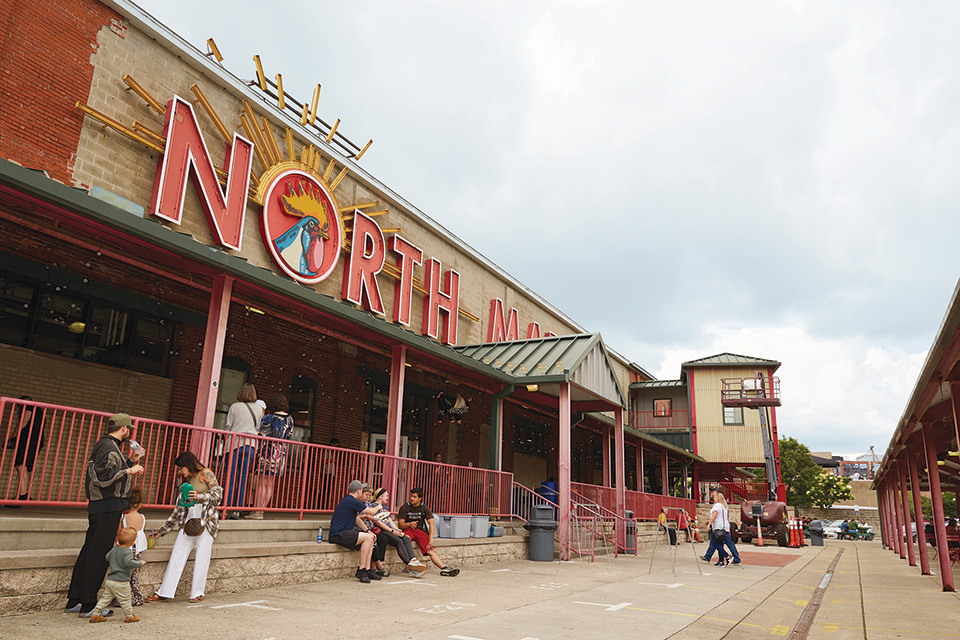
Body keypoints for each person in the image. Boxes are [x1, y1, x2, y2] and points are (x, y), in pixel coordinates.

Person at [65, 413, 145, 618]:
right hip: (106, 505)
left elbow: (109, 473)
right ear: (125, 429)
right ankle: (89, 604)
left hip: (103, 505)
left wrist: (129, 461)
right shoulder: (107, 446)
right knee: (98, 554)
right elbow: (102, 476)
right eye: (129, 429)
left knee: (90, 550)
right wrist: (131, 470)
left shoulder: (107, 445)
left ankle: (76, 600)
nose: (129, 432)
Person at [147, 451, 222, 603]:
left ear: (188, 464)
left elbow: (218, 495)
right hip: (188, 520)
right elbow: (177, 512)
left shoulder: (205, 473)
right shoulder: (186, 483)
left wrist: (198, 497)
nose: (180, 471)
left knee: (203, 556)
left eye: (181, 468)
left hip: (206, 520)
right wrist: (161, 532)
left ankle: (197, 592)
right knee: (177, 554)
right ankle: (164, 592)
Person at [328, 479, 384, 583]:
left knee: (371, 537)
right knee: (368, 538)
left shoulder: (349, 500)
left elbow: (357, 519)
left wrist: (368, 530)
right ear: (358, 491)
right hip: (338, 534)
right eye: (362, 491)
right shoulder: (351, 500)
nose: (362, 493)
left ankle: (368, 570)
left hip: (345, 533)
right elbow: (371, 511)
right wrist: (379, 506)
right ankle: (361, 570)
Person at [249, 394, 294, 519]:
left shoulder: (269, 417)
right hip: (281, 454)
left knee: (261, 483)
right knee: (270, 484)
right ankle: (262, 511)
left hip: (267, 452)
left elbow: (261, 433)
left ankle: (257, 512)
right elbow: (289, 435)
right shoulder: (290, 419)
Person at [365, 487, 426, 577]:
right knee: (398, 541)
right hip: (382, 530)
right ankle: (411, 566)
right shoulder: (373, 506)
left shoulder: (385, 507)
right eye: (386, 495)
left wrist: (397, 529)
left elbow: (389, 519)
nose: (388, 497)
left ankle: (413, 559)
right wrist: (392, 531)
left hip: (390, 529)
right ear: (381, 496)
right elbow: (378, 522)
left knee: (404, 537)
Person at [87, 527, 144, 623]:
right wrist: (140, 563)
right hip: (121, 581)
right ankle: (129, 616)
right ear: (133, 542)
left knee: (105, 599)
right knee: (126, 600)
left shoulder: (114, 550)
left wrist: (115, 548)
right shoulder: (127, 552)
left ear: (118, 540)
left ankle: (95, 614)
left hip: (111, 581)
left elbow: (107, 557)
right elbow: (128, 563)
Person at [397, 487, 459, 576]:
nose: (412, 499)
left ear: (420, 498)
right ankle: (413, 564)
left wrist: (431, 540)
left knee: (431, 550)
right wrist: (409, 524)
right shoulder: (405, 507)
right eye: (411, 496)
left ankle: (444, 568)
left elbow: (432, 524)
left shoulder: (424, 508)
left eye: (414, 497)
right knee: (405, 539)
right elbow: (400, 524)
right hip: (408, 530)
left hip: (419, 531)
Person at [223, 383, 262, 519]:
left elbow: (228, 426)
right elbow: (257, 427)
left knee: (230, 476)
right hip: (250, 444)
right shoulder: (258, 409)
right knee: (243, 477)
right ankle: (237, 509)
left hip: (234, 443)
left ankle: (225, 507)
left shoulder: (234, 406)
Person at [4, 396, 45, 507]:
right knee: (23, 467)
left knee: (21, 466)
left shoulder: (29, 407)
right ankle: (23, 494)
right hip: (34, 441)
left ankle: (22, 496)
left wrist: (13, 436)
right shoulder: (38, 410)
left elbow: (24, 421)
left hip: (28, 440)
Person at [702, 487, 740, 567]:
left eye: (713, 493)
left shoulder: (718, 505)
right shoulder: (723, 505)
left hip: (719, 527)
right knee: (719, 543)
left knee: (716, 543)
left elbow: (715, 515)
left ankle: (728, 557)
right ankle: (720, 560)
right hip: (723, 526)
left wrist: (709, 523)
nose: (712, 494)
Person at [123, 487, 148, 606]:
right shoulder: (142, 518)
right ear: (140, 504)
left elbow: (119, 532)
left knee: (124, 574)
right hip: (137, 548)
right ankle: (136, 597)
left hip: (125, 548)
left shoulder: (124, 518)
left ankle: (123, 598)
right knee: (134, 574)